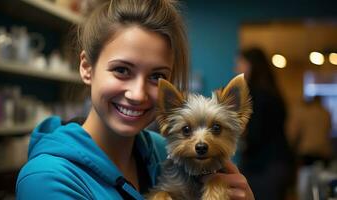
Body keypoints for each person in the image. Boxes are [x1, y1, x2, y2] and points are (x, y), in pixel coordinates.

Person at [16, 0, 254, 199]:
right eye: (121, 70)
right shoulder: (48, 180)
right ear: (87, 67)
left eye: (157, 76)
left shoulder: (164, 151)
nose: (138, 94)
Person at [235, 47, 294, 200]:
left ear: (251, 65)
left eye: (240, 64)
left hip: (264, 167)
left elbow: (255, 134)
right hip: (280, 163)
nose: (236, 69)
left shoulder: (256, 95)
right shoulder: (273, 92)